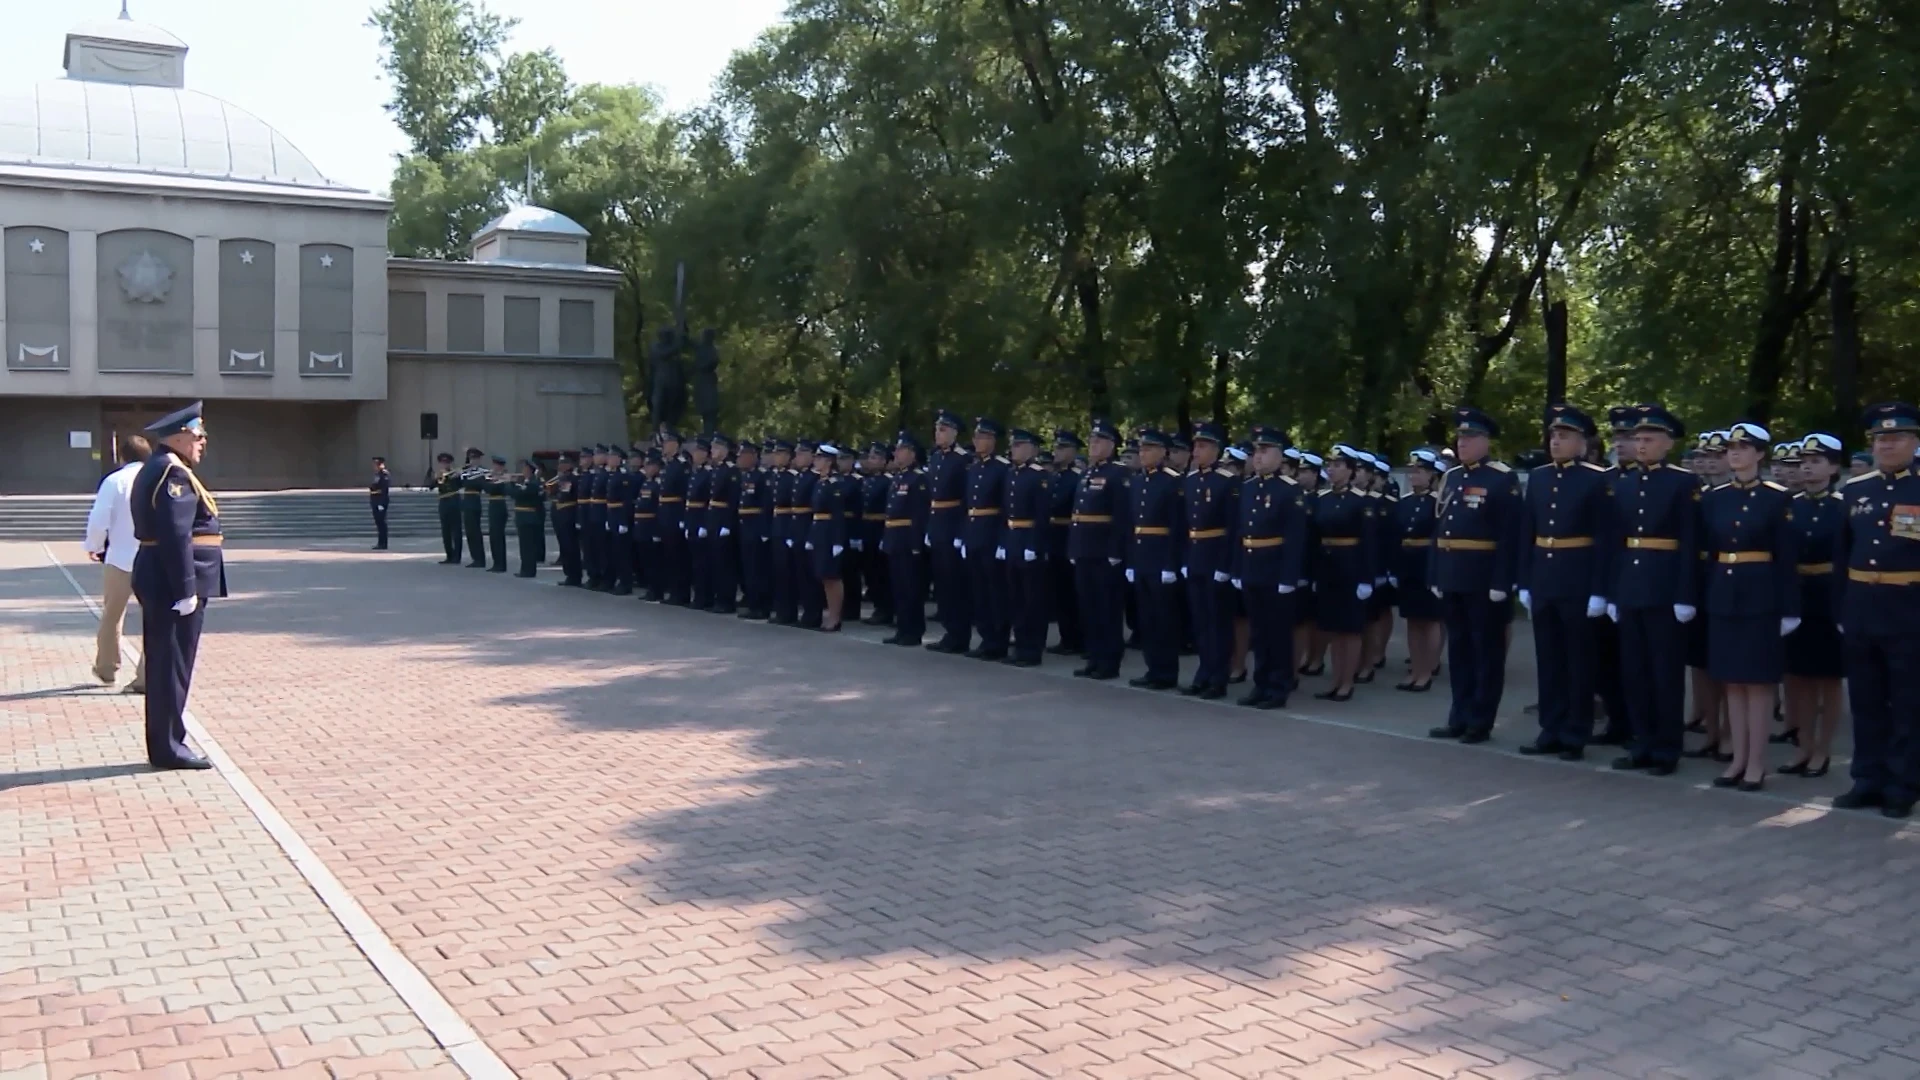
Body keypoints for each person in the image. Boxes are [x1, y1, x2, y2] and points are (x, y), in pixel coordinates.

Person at [1698, 422, 1799, 791]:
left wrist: (1790, 607)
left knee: (1757, 682)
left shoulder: (1777, 498)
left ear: (1759, 454)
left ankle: (1756, 763)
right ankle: (1737, 758)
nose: (1735, 453)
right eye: (1731, 448)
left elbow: (1786, 558)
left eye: (1744, 447)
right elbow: (1708, 553)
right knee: (1731, 680)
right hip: (1724, 594)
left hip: (1761, 595)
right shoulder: (1714, 498)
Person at [1830, 402, 1920, 818]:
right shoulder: (1855, 490)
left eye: (1896, 437)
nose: (1887, 444)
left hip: (1909, 609)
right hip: (1862, 606)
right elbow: (1841, 554)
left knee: (1906, 701)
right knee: (1864, 700)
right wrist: (1841, 610)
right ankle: (1867, 778)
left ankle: (1903, 784)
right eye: (1880, 439)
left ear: (1914, 442)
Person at [129, 401, 225, 770]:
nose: (202, 442)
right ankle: (169, 747)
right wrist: (186, 589)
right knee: (171, 666)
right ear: (181, 436)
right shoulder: (173, 473)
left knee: (167, 664)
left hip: (163, 577)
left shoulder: (162, 467)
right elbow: (175, 535)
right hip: (172, 582)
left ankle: (167, 743)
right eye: (198, 435)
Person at [1607, 404, 1700, 777]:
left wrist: (1685, 593)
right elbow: (1615, 542)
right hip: (1631, 586)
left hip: (1664, 587)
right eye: (1637, 439)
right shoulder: (1624, 483)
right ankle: (1641, 741)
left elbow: (1690, 543)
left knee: (1665, 672)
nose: (1640, 445)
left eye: (1648, 439)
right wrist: (1612, 592)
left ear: (1668, 443)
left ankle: (1666, 747)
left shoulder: (1682, 482)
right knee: (1634, 671)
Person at [1516, 405, 1612, 762]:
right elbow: (1528, 531)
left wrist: (1599, 589)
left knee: (1579, 662)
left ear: (1582, 443)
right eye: (1554, 436)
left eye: (1565, 436)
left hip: (1578, 580)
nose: (1556, 441)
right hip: (1544, 577)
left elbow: (1604, 539)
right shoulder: (1539, 477)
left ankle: (1575, 732)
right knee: (1549, 659)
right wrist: (1524, 580)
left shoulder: (1596, 479)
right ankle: (1550, 728)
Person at [1428, 407, 1522, 742]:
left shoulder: (1501, 478)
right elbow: (1440, 529)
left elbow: (1510, 536)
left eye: (1470, 437)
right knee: (1460, 650)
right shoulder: (1452, 476)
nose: (1462, 442)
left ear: (1485, 441)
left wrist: (1502, 582)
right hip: (1453, 575)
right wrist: (1436, 573)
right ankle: (1459, 715)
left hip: (1483, 579)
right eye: (1460, 437)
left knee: (1486, 652)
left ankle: (1480, 720)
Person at [1780, 433, 1845, 778]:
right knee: (1798, 677)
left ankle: (1823, 749)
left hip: (1828, 594)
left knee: (1828, 679)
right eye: (1803, 461)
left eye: (1816, 461)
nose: (1807, 467)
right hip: (1797, 595)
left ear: (1834, 467)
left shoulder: (1842, 504)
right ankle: (1803, 745)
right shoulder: (1790, 504)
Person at [1234, 426, 1307, 709]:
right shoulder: (1249, 487)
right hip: (1253, 567)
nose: (1259, 457)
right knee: (1258, 631)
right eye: (1256, 451)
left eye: (1265, 451)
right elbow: (1242, 533)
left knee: (1278, 632)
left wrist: (1289, 577)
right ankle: (1260, 683)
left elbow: (1294, 539)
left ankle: (1278, 686)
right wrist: (1239, 569)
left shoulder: (1290, 491)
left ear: (1279, 455)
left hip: (1276, 570)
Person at [83, 434, 151, 694]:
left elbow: (100, 518)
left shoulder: (114, 481)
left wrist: (94, 546)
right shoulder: (157, 477)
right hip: (152, 557)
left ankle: (107, 667)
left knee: (112, 615)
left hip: (120, 558)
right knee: (152, 619)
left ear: (122, 457)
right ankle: (146, 676)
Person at [1311, 445, 1376, 701]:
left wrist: (1366, 579)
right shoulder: (1322, 499)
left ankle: (1347, 682)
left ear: (1350, 471)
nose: (1332, 469)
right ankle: (1335, 680)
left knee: (1349, 630)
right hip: (1328, 569)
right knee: (1332, 628)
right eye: (1330, 464)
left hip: (1350, 568)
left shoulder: (1362, 501)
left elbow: (1370, 543)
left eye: (1338, 465)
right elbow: (1315, 539)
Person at [1182, 421, 1239, 699]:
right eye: (1196, 446)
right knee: (1201, 621)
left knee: (1218, 623)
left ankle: (1218, 677)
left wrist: (1225, 565)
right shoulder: (1191, 480)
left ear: (1216, 449)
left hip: (1215, 557)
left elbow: (1232, 528)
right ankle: (1203, 672)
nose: (1197, 451)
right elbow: (1185, 525)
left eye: (1203, 446)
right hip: (1195, 557)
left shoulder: (1227, 482)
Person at [1070, 419, 1129, 681]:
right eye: (1092, 441)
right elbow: (1078, 514)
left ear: (1111, 445)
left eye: (1098, 441)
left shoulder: (1119, 474)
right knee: (1088, 608)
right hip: (1084, 549)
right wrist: (1074, 546)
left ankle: (1109, 661)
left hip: (1104, 552)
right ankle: (1094, 657)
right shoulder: (1086, 473)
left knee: (1107, 609)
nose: (1093, 445)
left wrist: (1115, 551)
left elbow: (1121, 516)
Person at [1127, 429, 1186, 691]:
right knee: (1147, 618)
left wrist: (1170, 564)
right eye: (1141, 448)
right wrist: (1130, 561)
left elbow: (1176, 527)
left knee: (1164, 619)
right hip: (1141, 557)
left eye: (1149, 448)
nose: (1143, 453)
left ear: (1163, 452)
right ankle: (1152, 668)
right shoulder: (1138, 481)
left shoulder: (1172, 481)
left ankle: (1166, 671)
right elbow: (1132, 525)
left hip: (1161, 557)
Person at [1392, 449, 1443, 692]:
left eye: (1420, 471)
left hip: (1428, 564)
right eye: (1413, 471)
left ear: (1432, 475)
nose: (1414, 475)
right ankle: (1415, 669)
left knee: (1430, 620)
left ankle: (1427, 670)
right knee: (1412, 620)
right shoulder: (1404, 502)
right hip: (1408, 564)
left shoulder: (1438, 503)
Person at [925, 410, 974, 654]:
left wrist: (960, 532)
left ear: (954, 433)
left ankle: (959, 634)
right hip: (937, 525)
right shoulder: (935, 458)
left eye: (943, 429)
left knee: (956, 584)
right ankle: (949, 631)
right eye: (937, 429)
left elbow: (966, 500)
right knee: (942, 583)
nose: (938, 433)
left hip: (953, 525)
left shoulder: (962, 459)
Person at [1003, 428, 1053, 667]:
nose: (1014, 450)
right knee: (1016, 598)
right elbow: (1006, 512)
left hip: (1029, 540)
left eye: (1020, 445)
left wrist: (1034, 544)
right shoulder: (1012, 474)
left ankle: (1032, 648)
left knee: (1032, 598)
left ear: (1032, 449)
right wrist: (1004, 542)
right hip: (1013, 539)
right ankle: (1021, 644)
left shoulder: (1039, 476)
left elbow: (1042, 516)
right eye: (1013, 445)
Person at [964, 418, 1012, 660]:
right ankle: (985, 638)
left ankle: (998, 640)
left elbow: (1006, 508)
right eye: (975, 437)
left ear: (992, 440)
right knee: (979, 591)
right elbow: (968, 506)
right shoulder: (973, 468)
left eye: (982, 437)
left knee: (995, 591)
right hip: (974, 534)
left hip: (992, 534)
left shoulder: (1002, 468)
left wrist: (1003, 540)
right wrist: (964, 536)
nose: (977, 441)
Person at [1047, 431, 1085, 656]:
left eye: (1062, 448)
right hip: (1054, 537)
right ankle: (1066, 636)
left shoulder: (1077, 477)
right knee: (1060, 592)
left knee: (1073, 593)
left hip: (1069, 536)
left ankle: (1078, 638)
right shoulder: (1055, 477)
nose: (1057, 452)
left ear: (1072, 452)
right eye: (1056, 448)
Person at [807, 443, 849, 631]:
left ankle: (835, 617)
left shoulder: (836, 483)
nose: (816, 461)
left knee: (832, 576)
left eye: (819, 458)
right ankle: (830, 615)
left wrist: (838, 541)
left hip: (831, 533)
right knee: (824, 576)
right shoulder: (820, 482)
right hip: (819, 532)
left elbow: (838, 514)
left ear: (829, 461)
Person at [548, 453, 583, 586]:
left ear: (569, 465)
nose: (560, 466)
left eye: (563, 463)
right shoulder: (560, 478)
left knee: (571, 546)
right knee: (564, 546)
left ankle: (575, 575)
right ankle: (569, 574)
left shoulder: (572, 478)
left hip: (569, 514)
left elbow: (566, 495)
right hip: (560, 514)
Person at [512, 458, 544, 578]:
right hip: (523, 517)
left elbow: (517, 494)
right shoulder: (527, 482)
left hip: (528, 517)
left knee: (528, 546)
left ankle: (529, 570)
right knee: (524, 546)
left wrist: (511, 484)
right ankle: (525, 569)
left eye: (525, 468)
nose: (523, 471)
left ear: (530, 470)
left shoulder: (532, 483)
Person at [459, 448, 488, 568]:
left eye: (476, 458)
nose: (474, 461)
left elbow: (480, 484)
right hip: (466, 501)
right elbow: (459, 484)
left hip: (475, 501)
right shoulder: (464, 471)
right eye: (471, 458)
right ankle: (474, 557)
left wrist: (468, 480)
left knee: (476, 531)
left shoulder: (483, 471)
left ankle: (480, 559)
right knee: (469, 531)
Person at [433, 452, 463, 564]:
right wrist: (435, 478)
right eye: (442, 462)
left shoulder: (455, 474)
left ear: (450, 463)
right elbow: (430, 486)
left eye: (446, 463)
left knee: (456, 530)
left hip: (454, 501)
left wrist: (458, 476)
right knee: (445, 531)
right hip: (443, 502)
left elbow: (461, 485)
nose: (444, 465)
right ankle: (449, 555)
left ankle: (457, 556)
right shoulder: (439, 474)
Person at [485, 455, 511, 573]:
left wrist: (493, 480)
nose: (494, 468)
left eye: (496, 465)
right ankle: (496, 562)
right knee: (493, 536)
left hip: (499, 506)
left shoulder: (504, 477)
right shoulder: (492, 477)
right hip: (493, 505)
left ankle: (501, 564)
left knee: (498, 536)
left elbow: (494, 489)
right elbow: (486, 488)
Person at [368, 456, 392, 550]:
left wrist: (381, 503)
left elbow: (384, 490)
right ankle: (380, 542)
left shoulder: (384, 474)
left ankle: (383, 543)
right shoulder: (377, 474)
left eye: (376, 464)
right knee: (378, 523)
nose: (374, 466)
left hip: (380, 501)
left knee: (382, 523)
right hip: (375, 500)